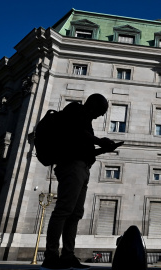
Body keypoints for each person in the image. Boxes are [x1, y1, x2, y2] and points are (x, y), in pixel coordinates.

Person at [41, 94, 122, 270]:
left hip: (82, 167)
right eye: (100, 111)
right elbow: (74, 132)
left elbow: (85, 151)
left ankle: (67, 256)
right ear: (92, 104)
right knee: (63, 210)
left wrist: (104, 149)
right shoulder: (75, 110)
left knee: (75, 213)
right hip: (70, 165)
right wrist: (100, 141)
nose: (99, 116)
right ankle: (51, 256)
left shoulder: (86, 122)